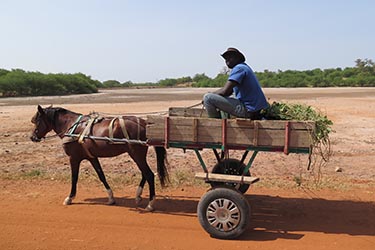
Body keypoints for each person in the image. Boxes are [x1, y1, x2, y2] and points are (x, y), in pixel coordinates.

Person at [203, 47, 268, 119]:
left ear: (237, 58)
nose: (227, 60)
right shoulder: (244, 67)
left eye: (230, 57)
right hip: (254, 110)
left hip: (248, 110)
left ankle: (216, 125)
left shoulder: (239, 68)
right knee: (225, 96)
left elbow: (225, 91)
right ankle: (223, 121)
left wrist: (211, 94)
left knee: (207, 98)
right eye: (226, 58)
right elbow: (228, 92)